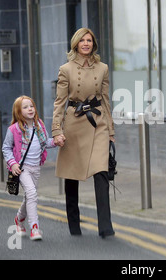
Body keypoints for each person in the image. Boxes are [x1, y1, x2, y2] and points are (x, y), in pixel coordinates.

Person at [52, 27, 116, 238]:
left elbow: (106, 100)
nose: (86, 43)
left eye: (89, 40)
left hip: (98, 122)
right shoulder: (66, 69)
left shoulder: (103, 68)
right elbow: (60, 102)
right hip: (74, 123)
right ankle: (74, 224)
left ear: (93, 44)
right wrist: (56, 130)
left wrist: (111, 131)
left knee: (102, 173)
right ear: (76, 44)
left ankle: (105, 228)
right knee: (72, 175)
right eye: (83, 41)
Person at [2, 95, 57, 240]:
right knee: (32, 194)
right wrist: (12, 163)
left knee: (29, 197)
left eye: (31, 106)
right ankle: (35, 227)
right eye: (25, 107)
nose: (30, 109)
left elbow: (45, 142)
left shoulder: (39, 125)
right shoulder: (14, 129)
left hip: (36, 168)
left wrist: (56, 141)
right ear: (18, 112)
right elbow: (6, 148)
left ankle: (19, 219)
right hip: (22, 168)